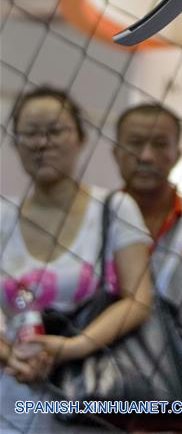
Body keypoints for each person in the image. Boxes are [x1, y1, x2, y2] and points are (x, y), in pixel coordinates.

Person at [0, 87, 152, 433]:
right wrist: (11, 356)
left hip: (91, 394)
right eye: (30, 133)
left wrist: (73, 347)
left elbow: (139, 299)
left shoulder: (114, 209)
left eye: (55, 131)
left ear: (80, 138)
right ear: (15, 142)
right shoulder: (2, 217)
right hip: (11, 398)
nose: (42, 143)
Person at [113, 103, 182, 373]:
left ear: (177, 154)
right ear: (116, 152)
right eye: (135, 143)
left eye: (159, 144)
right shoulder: (97, 219)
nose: (146, 156)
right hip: (111, 374)